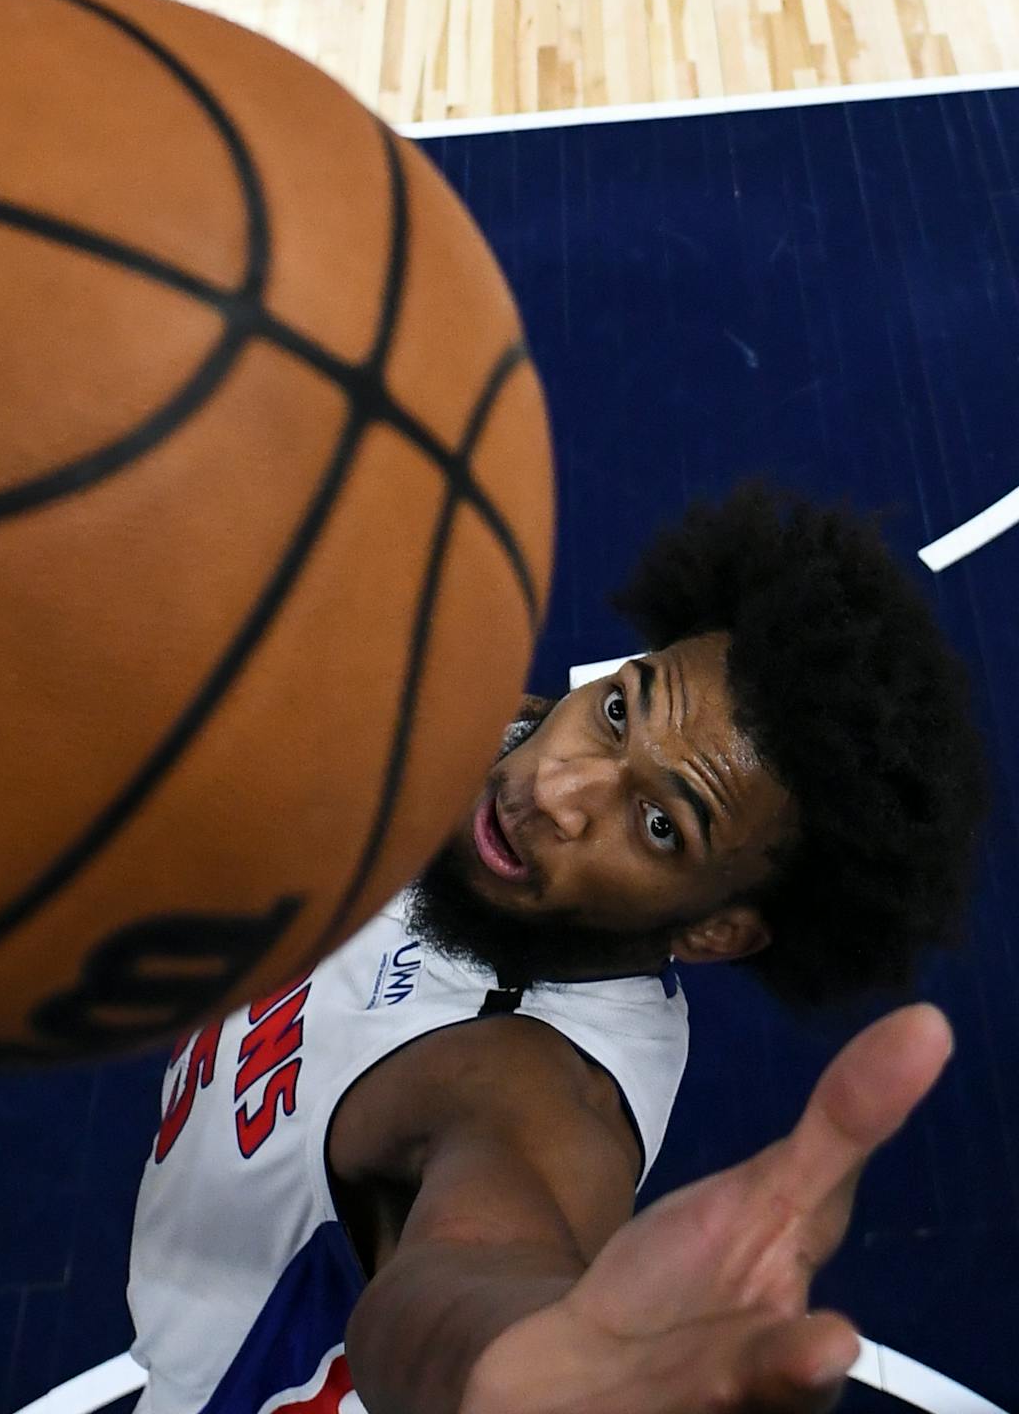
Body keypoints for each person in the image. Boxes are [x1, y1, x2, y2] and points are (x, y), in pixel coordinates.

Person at [130, 487, 991, 1414]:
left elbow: (476, 1271)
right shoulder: (514, 743)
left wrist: (529, 1360)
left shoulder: (533, 1089)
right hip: (183, 1267)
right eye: (619, 713)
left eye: (660, 825)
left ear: (714, 931)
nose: (557, 788)